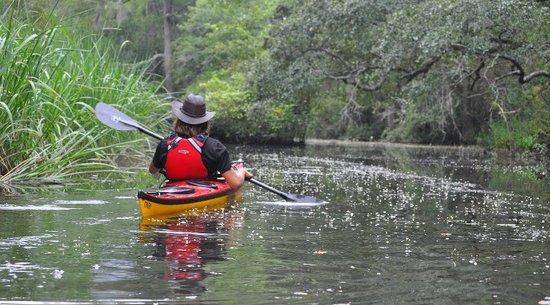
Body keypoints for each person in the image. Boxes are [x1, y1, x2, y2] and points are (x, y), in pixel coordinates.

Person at [148, 94, 252, 189]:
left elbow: (152, 170)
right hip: (204, 194)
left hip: (171, 194)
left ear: (179, 120)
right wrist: (242, 171)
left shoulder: (165, 144)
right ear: (205, 123)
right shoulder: (215, 147)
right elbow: (235, 183)